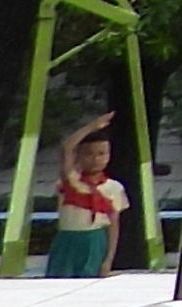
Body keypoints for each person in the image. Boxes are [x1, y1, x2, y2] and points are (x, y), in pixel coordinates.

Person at [42, 119, 128, 277]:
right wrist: (92, 127)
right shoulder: (71, 181)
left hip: (94, 240)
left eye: (101, 154)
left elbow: (114, 226)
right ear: (78, 157)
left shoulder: (114, 188)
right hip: (66, 240)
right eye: (88, 154)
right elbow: (66, 148)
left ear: (109, 156)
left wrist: (108, 260)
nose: (96, 159)